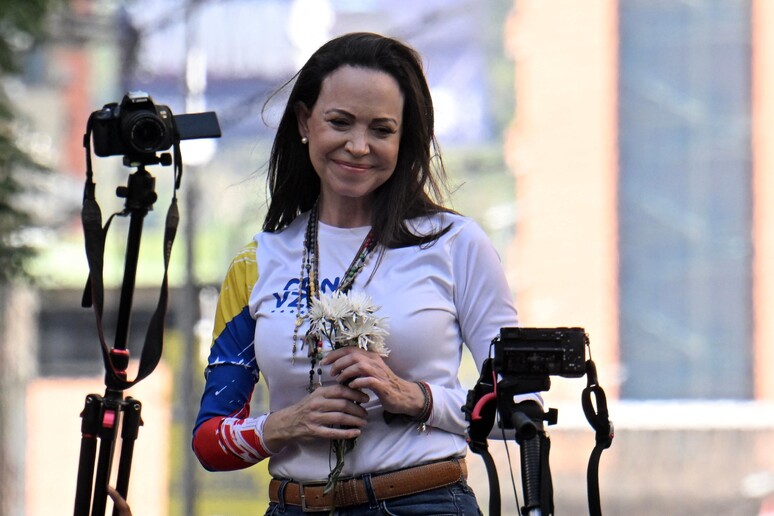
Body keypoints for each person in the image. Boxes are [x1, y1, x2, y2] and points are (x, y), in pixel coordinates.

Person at [192, 32, 536, 515]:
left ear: (404, 139)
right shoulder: (257, 263)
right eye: (340, 122)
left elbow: (522, 410)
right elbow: (210, 442)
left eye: (381, 129)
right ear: (304, 122)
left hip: (424, 501)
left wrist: (414, 397)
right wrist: (285, 424)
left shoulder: (456, 244)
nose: (358, 146)